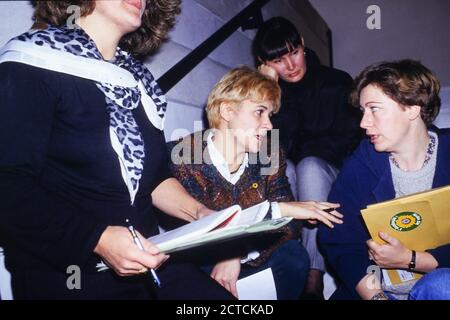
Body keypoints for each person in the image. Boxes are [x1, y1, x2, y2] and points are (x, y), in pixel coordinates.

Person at [0, 0, 235, 300]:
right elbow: (7, 185)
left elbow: (155, 179)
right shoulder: (30, 61)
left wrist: (201, 214)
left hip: (149, 263)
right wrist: (98, 239)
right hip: (70, 275)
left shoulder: (139, 83)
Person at [167, 66, 343, 299]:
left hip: (254, 263)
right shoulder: (184, 156)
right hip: (205, 267)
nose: (269, 125)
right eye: (260, 112)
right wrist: (228, 253)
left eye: (270, 115)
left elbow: (288, 228)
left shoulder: (269, 153)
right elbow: (193, 236)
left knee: (293, 256)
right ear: (227, 111)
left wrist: (237, 253)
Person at [318, 59, 450, 300]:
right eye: (362, 111)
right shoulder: (362, 163)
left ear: (412, 108)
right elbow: (340, 242)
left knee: (441, 286)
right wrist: (377, 296)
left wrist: (411, 260)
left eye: (374, 109)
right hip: (377, 292)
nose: (363, 122)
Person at [252, 16, 363, 298]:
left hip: (331, 173)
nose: (290, 66)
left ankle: (313, 275)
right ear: (264, 63)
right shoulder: (269, 95)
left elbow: (350, 139)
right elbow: (268, 146)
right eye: (278, 61)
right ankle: (286, 257)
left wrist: (306, 155)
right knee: (280, 167)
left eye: (294, 53)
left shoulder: (336, 81)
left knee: (309, 167)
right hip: (294, 173)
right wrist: (266, 90)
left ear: (303, 44)